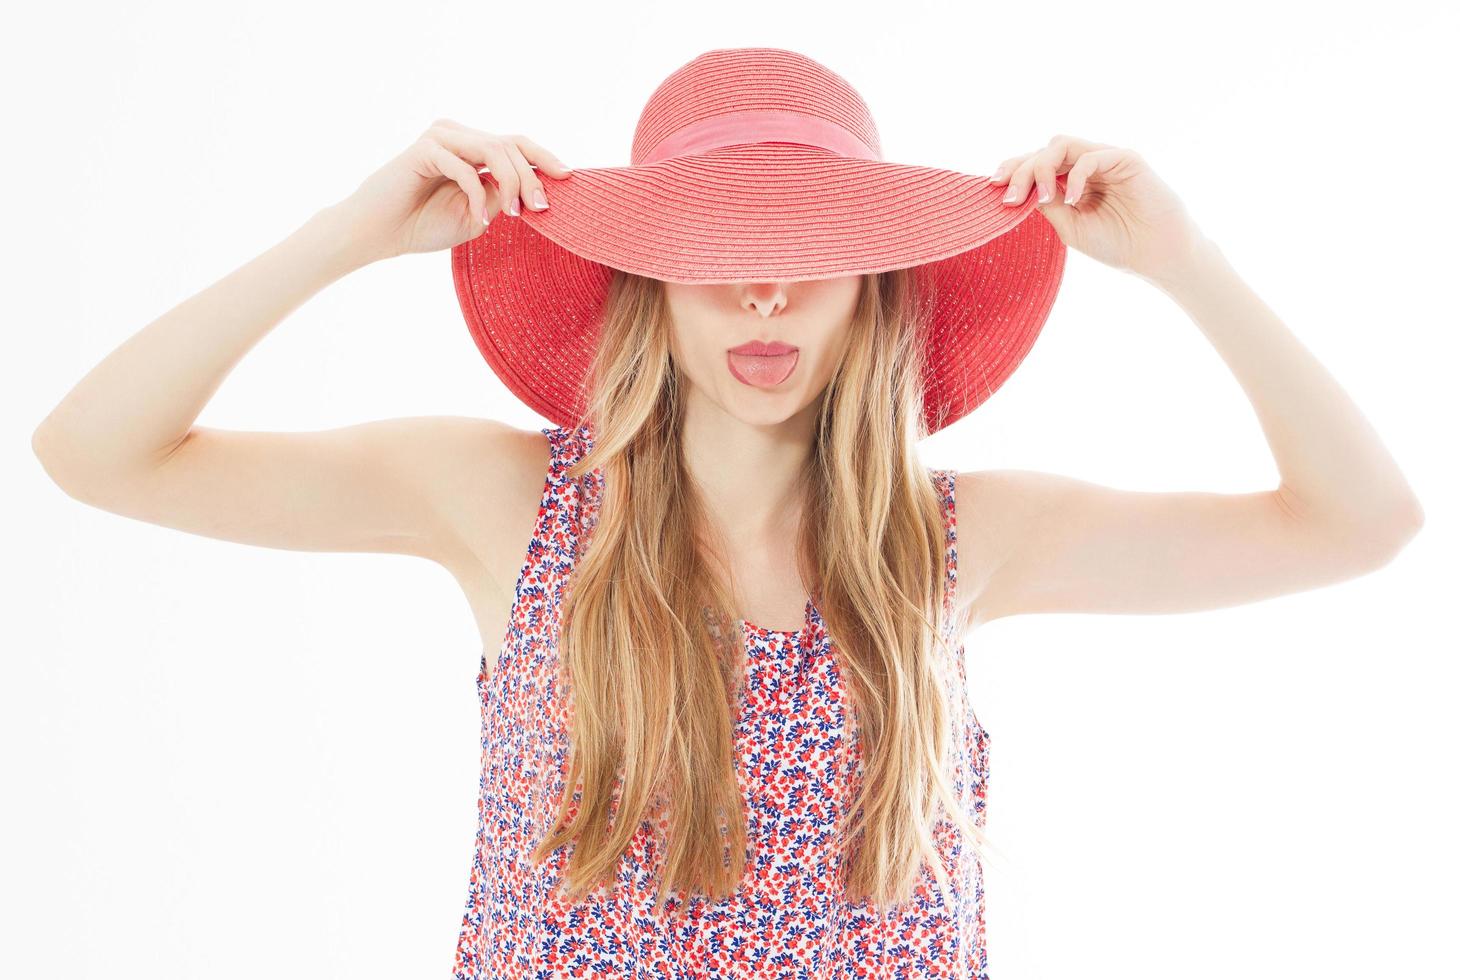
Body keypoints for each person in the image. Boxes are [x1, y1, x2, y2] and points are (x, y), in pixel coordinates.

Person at [31, 48, 1424, 980]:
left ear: (878, 294)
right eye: (719, 259)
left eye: (808, 257)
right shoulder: (507, 507)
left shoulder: (954, 545)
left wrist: (1190, 265)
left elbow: (1360, 523)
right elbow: (95, 452)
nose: (765, 298)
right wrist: (346, 231)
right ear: (648, 289)